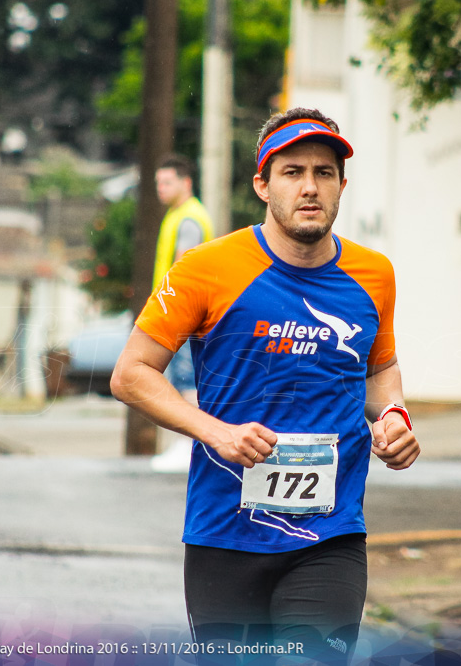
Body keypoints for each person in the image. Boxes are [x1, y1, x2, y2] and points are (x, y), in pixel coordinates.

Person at [111, 107, 420, 663]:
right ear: (262, 183)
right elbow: (131, 374)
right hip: (223, 535)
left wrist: (394, 417)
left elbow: (378, 371)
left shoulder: (375, 274)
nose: (309, 187)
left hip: (330, 537)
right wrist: (216, 433)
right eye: (292, 171)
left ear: (342, 186)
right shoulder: (206, 268)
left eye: (324, 173)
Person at [153, 154, 214, 396]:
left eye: (167, 182)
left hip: (183, 314)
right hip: (179, 311)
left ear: (186, 183)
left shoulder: (189, 218)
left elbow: (182, 269)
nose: (161, 189)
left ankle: (189, 434)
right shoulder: (177, 214)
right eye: (158, 183)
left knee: (185, 380)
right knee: (181, 379)